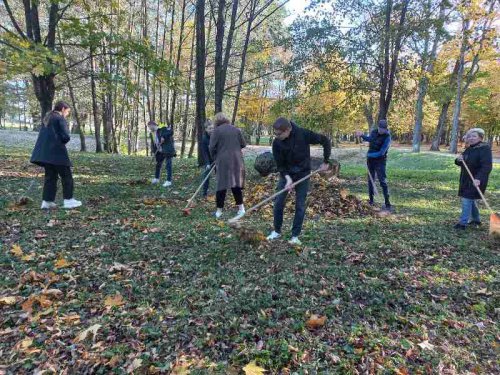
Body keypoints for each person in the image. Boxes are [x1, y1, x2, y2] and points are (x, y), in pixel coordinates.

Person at [267, 118, 331, 245]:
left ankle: (295, 236)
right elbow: (280, 165)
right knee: (278, 202)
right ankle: (277, 231)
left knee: (300, 205)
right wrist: (287, 178)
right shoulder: (277, 143)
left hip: (303, 174)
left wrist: (326, 161)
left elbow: (325, 141)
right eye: (275, 133)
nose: (277, 136)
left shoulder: (304, 134)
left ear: (288, 130)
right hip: (287, 174)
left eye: (279, 134)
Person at [30, 101, 82, 209]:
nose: (67, 114)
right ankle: (68, 200)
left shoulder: (48, 118)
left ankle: (47, 201)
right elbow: (66, 137)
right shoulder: (59, 118)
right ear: (63, 109)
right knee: (67, 176)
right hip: (57, 153)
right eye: (67, 111)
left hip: (45, 154)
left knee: (51, 176)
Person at [453, 127, 493, 230]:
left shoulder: (484, 149)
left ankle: (463, 223)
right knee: (470, 199)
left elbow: (486, 166)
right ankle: (476, 219)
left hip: (477, 179)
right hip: (466, 178)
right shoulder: (469, 148)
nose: (471, 138)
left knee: (467, 199)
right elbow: (461, 162)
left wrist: (479, 179)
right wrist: (458, 160)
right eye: (469, 136)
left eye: (474, 136)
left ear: (480, 137)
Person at [209, 112, 246, 218]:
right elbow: (243, 144)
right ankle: (241, 209)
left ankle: (219, 211)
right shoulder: (236, 129)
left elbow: (211, 147)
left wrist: (215, 158)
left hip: (223, 161)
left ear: (216, 121)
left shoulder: (216, 131)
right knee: (235, 184)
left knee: (222, 185)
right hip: (237, 160)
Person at [355, 119, 392, 211]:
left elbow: (382, 152)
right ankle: (371, 201)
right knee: (370, 180)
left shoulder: (387, 137)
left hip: (380, 161)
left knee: (382, 181)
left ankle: (387, 203)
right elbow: (370, 139)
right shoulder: (374, 132)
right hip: (370, 161)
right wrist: (362, 135)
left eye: (383, 129)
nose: (381, 131)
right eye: (380, 129)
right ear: (378, 127)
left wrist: (368, 155)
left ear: (386, 129)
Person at [148, 121, 176, 187]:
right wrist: (153, 151)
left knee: (168, 165)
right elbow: (153, 143)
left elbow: (171, 131)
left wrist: (163, 136)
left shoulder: (162, 128)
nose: (149, 128)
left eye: (149, 126)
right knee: (158, 164)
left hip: (167, 150)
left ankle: (169, 181)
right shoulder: (151, 133)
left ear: (153, 125)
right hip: (159, 151)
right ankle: (156, 178)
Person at [201, 120, 214, 198]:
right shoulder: (204, 139)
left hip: (218, 159)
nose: (211, 130)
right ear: (206, 129)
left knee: (220, 176)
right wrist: (207, 163)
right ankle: (204, 193)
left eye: (212, 128)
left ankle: (221, 192)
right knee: (206, 176)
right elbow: (204, 152)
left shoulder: (217, 136)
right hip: (209, 160)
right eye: (209, 128)